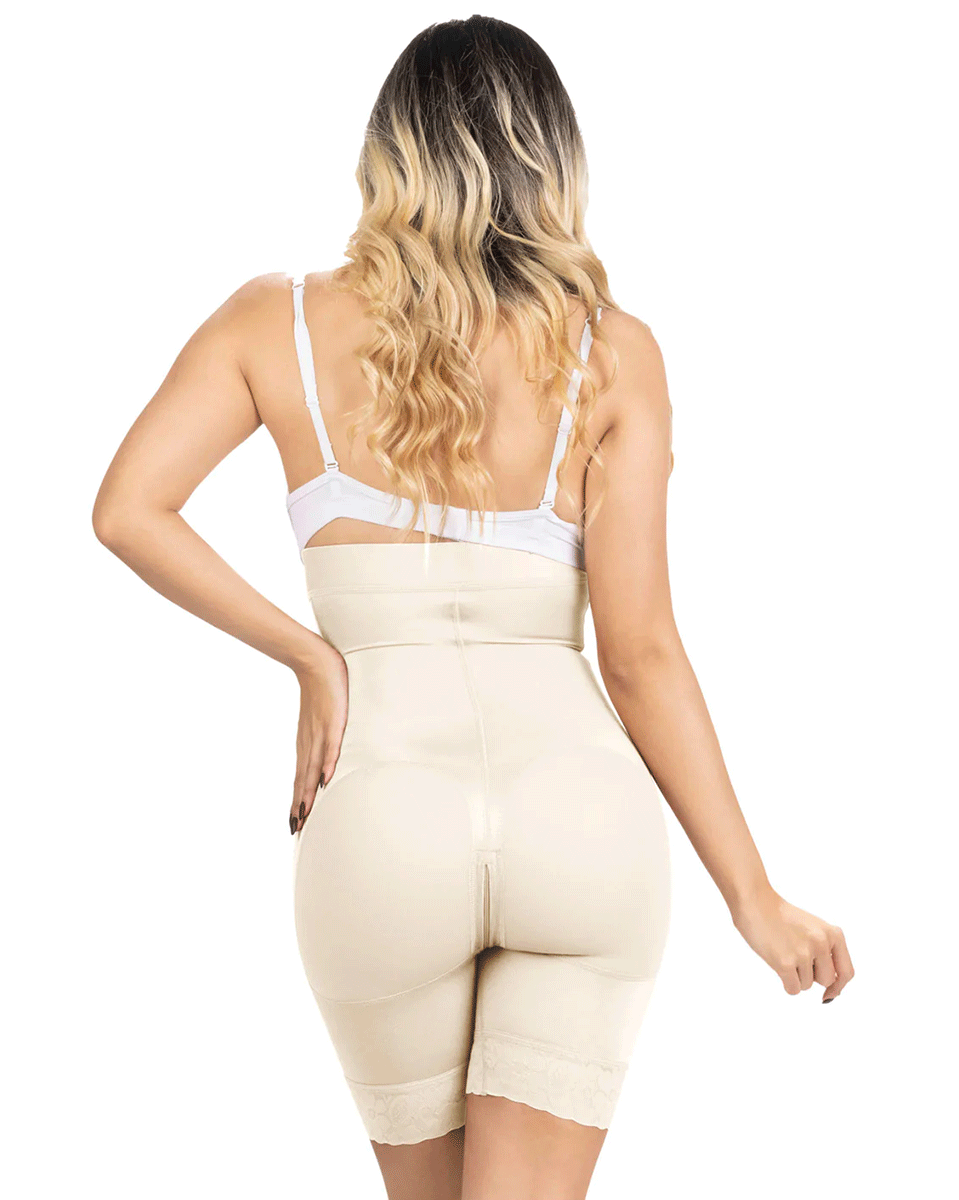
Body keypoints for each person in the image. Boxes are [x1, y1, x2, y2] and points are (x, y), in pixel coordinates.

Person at [91, 15, 854, 1200]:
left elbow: (128, 509)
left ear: (388, 154)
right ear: (549, 161)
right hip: (578, 816)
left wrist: (311, 657)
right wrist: (752, 899)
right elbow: (640, 653)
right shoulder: (612, 352)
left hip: (379, 818)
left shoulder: (273, 322)